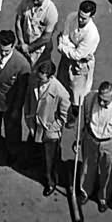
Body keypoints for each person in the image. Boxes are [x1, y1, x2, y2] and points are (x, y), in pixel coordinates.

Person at [77, 80, 112, 212]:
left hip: (110, 143)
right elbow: (84, 121)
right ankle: (85, 192)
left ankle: (103, 198)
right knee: (87, 167)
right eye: (100, 99)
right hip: (91, 139)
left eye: (105, 101)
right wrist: (79, 139)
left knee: (106, 173)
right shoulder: (90, 98)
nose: (101, 103)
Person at [24, 58, 71, 196]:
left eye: (42, 78)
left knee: (50, 159)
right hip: (34, 124)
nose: (39, 80)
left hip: (49, 131)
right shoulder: (34, 80)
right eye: (38, 76)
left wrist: (51, 129)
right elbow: (28, 99)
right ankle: (32, 164)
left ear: (50, 77)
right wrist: (28, 117)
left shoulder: (61, 93)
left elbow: (63, 118)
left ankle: (51, 182)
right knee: (33, 147)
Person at [0, 29, 30, 154]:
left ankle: (12, 151)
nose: (3, 54)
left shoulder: (22, 64)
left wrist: (16, 109)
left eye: (6, 51)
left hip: (9, 101)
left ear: (13, 46)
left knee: (12, 129)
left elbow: (21, 91)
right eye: (1, 50)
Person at [56, 0, 99, 121]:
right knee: (61, 85)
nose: (80, 20)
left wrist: (63, 47)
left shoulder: (92, 34)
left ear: (92, 17)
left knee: (77, 95)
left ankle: (72, 118)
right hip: (66, 61)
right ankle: (59, 111)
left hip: (80, 67)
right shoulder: (71, 17)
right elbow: (64, 37)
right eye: (80, 16)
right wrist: (68, 47)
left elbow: (77, 55)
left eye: (84, 18)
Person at [13, 0, 59, 66]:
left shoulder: (51, 11)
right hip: (24, 44)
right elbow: (18, 22)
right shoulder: (26, 2)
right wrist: (21, 42)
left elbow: (47, 37)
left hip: (40, 49)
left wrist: (30, 48)